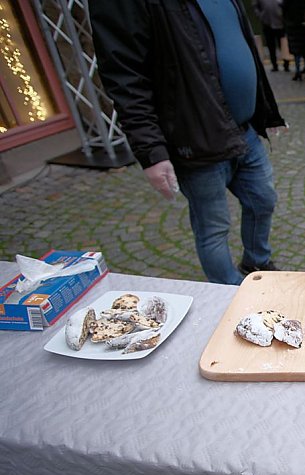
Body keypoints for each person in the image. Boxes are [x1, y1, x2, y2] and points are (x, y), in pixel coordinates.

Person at [90, 0, 287, 285]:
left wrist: (265, 111)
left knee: (263, 199)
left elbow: (237, 44)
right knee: (214, 227)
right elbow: (125, 76)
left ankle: (256, 261)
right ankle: (228, 292)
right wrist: (151, 152)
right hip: (194, 140)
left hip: (243, 132)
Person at [283, 0, 305, 81]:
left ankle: (298, 71)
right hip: (304, 24)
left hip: (292, 24)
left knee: (296, 50)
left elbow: (284, 8)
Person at [255, 0, 286, 72]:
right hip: (267, 23)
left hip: (280, 22)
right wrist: (260, 16)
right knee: (271, 45)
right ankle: (274, 65)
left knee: (283, 44)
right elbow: (255, 6)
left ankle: (286, 63)